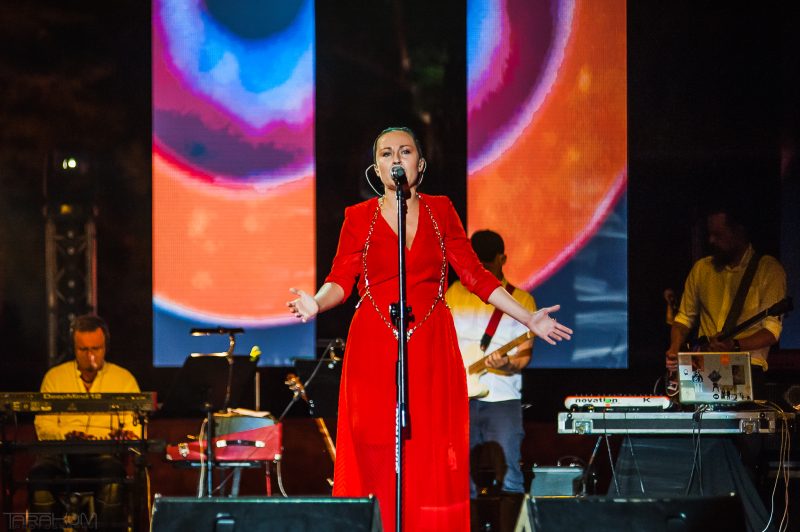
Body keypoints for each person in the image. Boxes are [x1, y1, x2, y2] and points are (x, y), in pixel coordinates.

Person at [287, 127, 572, 532]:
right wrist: (317, 302)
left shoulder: (441, 210)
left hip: (430, 340)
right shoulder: (358, 217)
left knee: (429, 447)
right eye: (386, 153)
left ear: (420, 164)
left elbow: (475, 275)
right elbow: (341, 278)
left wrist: (527, 318)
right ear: (376, 168)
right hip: (374, 341)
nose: (395, 159)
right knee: (375, 446)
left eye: (405, 152)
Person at [445, 230, 535, 498]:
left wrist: (506, 365)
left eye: (488, 263)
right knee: (460, 479)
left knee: (509, 475)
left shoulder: (521, 300)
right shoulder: (452, 294)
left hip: (502, 400)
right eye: (478, 263)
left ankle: (511, 520)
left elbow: (524, 356)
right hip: (460, 399)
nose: (483, 269)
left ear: (502, 259)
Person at [29, 314, 141, 527]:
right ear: (74, 348)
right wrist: (67, 436)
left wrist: (122, 436)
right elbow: (43, 426)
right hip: (60, 456)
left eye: (96, 349)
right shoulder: (55, 378)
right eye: (83, 349)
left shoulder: (124, 379)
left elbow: (134, 426)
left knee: (113, 477)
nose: (90, 356)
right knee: (39, 477)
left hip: (103, 457)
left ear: (106, 347)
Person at [665, 204, 787, 395]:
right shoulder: (701, 269)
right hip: (704, 365)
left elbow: (771, 332)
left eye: (718, 235)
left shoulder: (768, 270)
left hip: (746, 367)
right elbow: (684, 319)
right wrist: (674, 348)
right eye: (710, 234)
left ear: (739, 232)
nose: (711, 240)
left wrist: (735, 345)